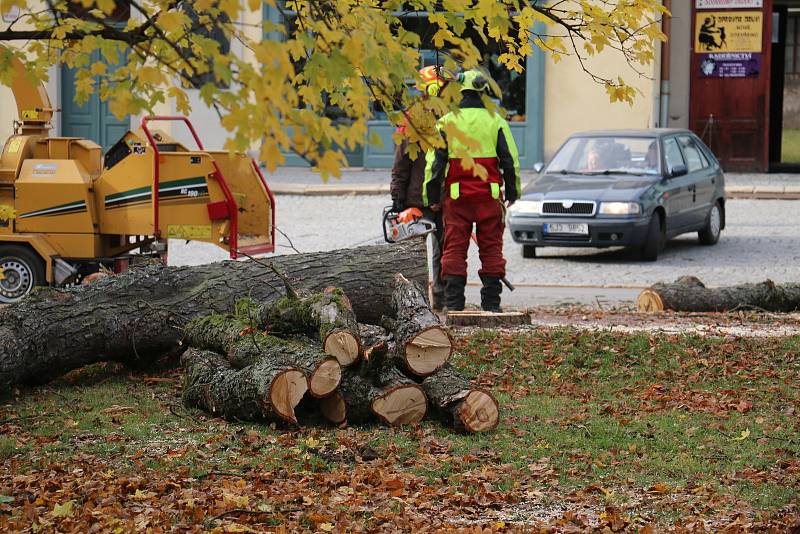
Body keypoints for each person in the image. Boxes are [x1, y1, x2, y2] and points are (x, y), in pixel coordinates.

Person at [422, 68, 521, 312]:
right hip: (489, 197)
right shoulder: (496, 121)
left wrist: (432, 198)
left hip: (457, 199)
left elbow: (434, 165)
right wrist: (513, 192)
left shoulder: (446, 122)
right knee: (491, 249)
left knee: (454, 248)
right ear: (483, 89)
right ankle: (491, 306)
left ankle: (455, 306)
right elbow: (510, 161)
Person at [391, 65, 447, 310]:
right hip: (431, 198)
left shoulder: (413, 118)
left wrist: (397, 196)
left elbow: (400, 164)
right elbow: (402, 162)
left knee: (431, 253)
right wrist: (398, 198)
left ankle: (427, 302)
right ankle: (436, 301)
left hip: (429, 197)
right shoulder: (420, 118)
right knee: (435, 253)